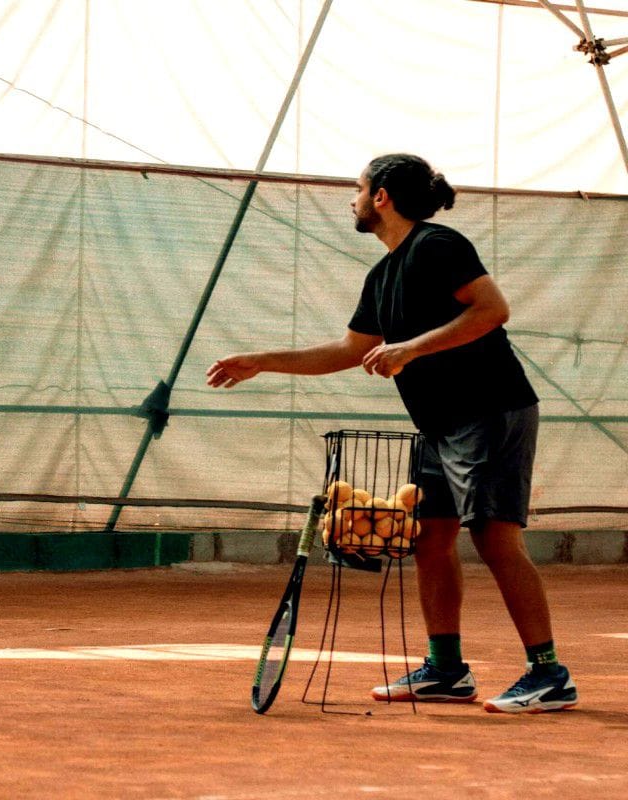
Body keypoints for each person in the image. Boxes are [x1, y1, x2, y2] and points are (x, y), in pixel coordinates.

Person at [206, 154, 577, 714]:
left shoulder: (438, 245)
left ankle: (549, 674)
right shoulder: (381, 276)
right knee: (431, 538)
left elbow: (492, 310)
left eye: (357, 190)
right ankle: (446, 670)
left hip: (492, 410)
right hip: (439, 424)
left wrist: (413, 346)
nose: (351, 200)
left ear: (381, 196)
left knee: (495, 538)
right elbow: (350, 350)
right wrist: (261, 360)